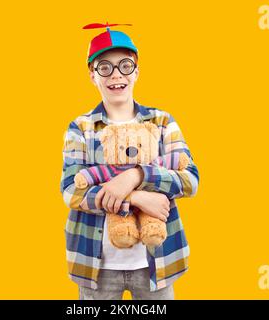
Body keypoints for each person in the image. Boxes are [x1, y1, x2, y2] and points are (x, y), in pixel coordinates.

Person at [60, 23, 199, 300]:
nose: (116, 75)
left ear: (136, 71)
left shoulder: (162, 122)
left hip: (157, 262)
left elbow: (190, 179)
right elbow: (71, 191)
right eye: (105, 67)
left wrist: (135, 175)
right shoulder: (81, 127)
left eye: (124, 65)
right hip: (95, 265)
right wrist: (135, 199)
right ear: (92, 75)